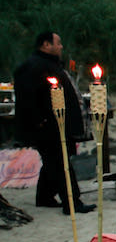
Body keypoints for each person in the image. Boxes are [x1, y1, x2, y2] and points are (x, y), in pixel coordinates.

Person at [12, 31, 95, 214]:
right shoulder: (33, 67)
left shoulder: (49, 65)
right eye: (58, 43)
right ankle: (72, 202)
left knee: (54, 161)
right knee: (60, 162)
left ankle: (44, 196)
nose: (61, 46)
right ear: (46, 45)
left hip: (58, 123)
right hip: (48, 126)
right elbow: (27, 99)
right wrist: (39, 121)